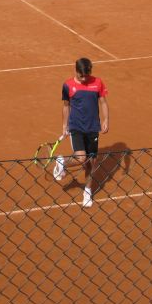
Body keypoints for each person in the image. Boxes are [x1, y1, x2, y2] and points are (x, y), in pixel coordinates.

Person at [54, 57, 109, 207]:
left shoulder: (98, 83)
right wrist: (64, 125)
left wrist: (106, 120)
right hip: (76, 127)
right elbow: (66, 106)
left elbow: (103, 102)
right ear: (76, 71)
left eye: (86, 75)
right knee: (81, 158)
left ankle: (87, 191)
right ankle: (62, 162)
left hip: (93, 128)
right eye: (81, 76)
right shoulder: (68, 85)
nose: (84, 79)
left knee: (91, 162)